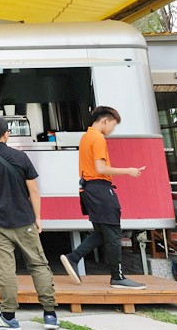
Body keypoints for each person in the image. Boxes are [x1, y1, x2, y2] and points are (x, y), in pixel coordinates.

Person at [0, 116, 59, 330]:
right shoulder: (20, 156)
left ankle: (8, 317)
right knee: (38, 265)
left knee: (5, 269)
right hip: (25, 221)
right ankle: (50, 315)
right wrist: (37, 217)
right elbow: (34, 191)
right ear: (6, 133)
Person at [60, 106, 146, 290]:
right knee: (114, 233)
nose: (112, 130)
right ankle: (118, 276)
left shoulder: (86, 136)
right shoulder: (98, 138)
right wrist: (128, 171)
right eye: (113, 125)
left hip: (89, 190)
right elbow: (101, 169)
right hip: (100, 189)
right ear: (105, 120)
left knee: (101, 232)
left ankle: (73, 257)